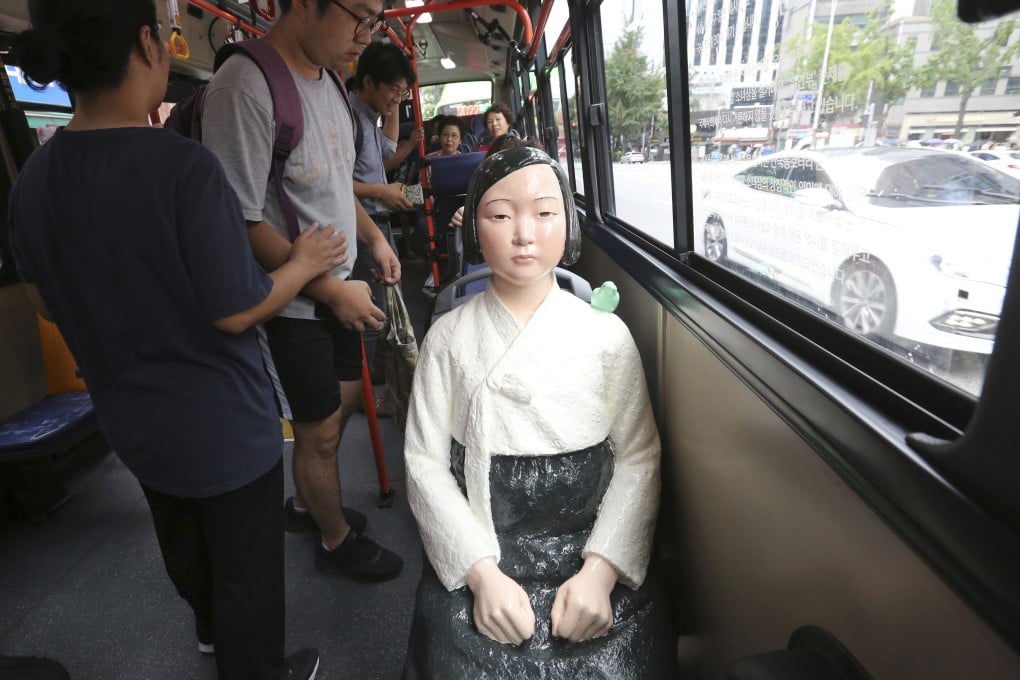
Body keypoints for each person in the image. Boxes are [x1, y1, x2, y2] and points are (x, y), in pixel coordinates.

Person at [7, 1, 343, 677]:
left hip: (135, 425)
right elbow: (237, 310)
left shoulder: (35, 178)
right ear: (147, 43)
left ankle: (212, 635)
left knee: (186, 549)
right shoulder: (183, 169)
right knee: (247, 571)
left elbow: (45, 302)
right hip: (223, 428)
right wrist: (304, 265)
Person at [402, 147, 676, 678]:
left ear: (567, 221)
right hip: (484, 541)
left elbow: (639, 457)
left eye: (545, 213)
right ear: (473, 228)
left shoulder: (605, 337)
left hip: (589, 546)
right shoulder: (447, 340)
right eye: (501, 215)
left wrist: (601, 570)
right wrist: (481, 573)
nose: (524, 233)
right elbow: (423, 461)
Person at [200, 0, 403, 581]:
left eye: (375, 22)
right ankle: (334, 539)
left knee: (332, 415)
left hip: (339, 286)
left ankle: (305, 504)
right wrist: (330, 292)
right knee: (318, 430)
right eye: (360, 18)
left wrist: (375, 242)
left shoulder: (332, 84)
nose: (367, 36)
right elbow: (239, 222)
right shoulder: (246, 86)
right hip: (293, 303)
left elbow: (337, 184)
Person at [348, 41, 421, 407]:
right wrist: (383, 191)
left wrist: (409, 194)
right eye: (392, 90)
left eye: (403, 93)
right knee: (372, 305)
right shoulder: (348, 119)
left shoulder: (368, 120)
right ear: (368, 81)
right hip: (360, 226)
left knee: (386, 299)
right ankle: (364, 391)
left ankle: (377, 375)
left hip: (379, 219)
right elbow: (335, 183)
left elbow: (389, 152)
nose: (398, 99)